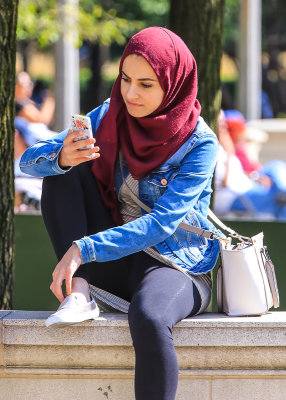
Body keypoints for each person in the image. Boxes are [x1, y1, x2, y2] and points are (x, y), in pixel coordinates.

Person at [20, 27, 222, 400]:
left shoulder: (200, 144)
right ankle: (79, 292)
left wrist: (85, 249)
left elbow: (162, 223)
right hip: (115, 259)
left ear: (173, 85)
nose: (130, 93)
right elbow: (28, 161)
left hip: (174, 265)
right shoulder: (111, 113)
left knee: (148, 317)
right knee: (60, 172)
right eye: (126, 79)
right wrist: (62, 156)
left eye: (146, 84)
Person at [214, 111, 286, 220]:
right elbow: (224, 182)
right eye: (221, 124)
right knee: (280, 203)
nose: (224, 129)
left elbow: (243, 173)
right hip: (236, 196)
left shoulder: (227, 147)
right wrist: (229, 153)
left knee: (276, 166)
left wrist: (255, 177)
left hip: (248, 186)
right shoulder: (215, 149)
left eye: (224, 124)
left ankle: (283, 191)